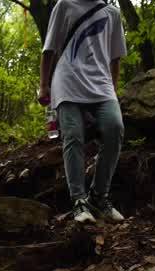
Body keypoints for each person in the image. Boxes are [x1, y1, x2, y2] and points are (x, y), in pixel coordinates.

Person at [38, 0, 128, 225]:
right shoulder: (65, 5)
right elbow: (49, 49)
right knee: (73, 135)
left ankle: (99, 196)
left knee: (114, 128)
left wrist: (113, 90)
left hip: (102, 85)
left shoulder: (112, 13)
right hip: (68, 81)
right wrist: (43, 85)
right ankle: (79, 201)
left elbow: (115, 57)